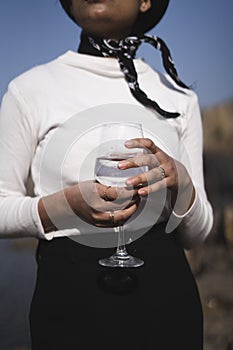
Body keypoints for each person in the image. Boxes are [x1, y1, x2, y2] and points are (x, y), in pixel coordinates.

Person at [0, 1, 213, 349]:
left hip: (168, 303)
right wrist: (61, 206)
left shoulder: (180, 97)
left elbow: (198, 234)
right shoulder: (29, 89)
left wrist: (183, 184)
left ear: (146, 1)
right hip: (68, 306)